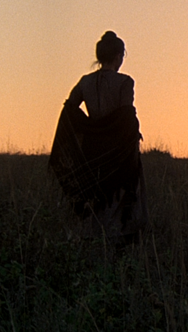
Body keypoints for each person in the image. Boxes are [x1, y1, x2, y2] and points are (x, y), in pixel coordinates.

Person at [49, 31, 148, 243]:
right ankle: (118, 237)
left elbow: (69, 108)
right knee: (120, 192)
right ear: (118, 56)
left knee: (95, 193)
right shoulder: (125, 82)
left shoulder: (85, 82)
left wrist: (89, 126)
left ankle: (92, 237)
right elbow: (126, 116)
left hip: (91, 149)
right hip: (118, 149)